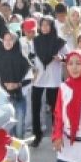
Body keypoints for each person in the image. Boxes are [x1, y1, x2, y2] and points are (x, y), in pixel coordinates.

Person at [29, 16, 67, 149]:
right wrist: (32, 67)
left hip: (53, 80)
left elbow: (67, 57)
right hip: (38, 79)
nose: (44, 28)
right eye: (42, 25)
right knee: (36, 108)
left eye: (47, 25)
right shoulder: (35, 40)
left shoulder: (60, 42)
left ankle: (56, 135)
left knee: (54, 110)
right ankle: (37, 135)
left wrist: (61, 58)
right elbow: (31, 56)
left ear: (52, 26)